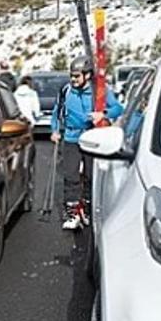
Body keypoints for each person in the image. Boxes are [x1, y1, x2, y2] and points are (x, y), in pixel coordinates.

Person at [50, 55, 123, 230]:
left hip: (91, 137)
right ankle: (73, 213)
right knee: (71, 176)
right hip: (71, 137)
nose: (73, 79)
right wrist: (55, 130)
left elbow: (118, 108)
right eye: (72, 76)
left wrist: (102, 114)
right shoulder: (66, 91)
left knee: (90, 176)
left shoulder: (99, 91)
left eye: (77, 76)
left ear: (87, 75)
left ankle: (88, 208)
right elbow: (56, 112)